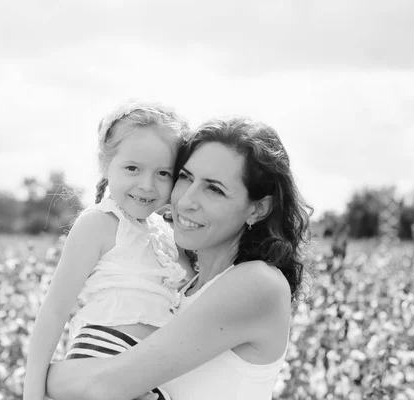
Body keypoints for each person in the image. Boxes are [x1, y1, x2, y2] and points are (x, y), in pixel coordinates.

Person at [45, 116, 312, 400]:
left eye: (214, 189)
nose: (185, 201)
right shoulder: (177, 289)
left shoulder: (257, 283)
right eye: (185, 177)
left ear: (258, 209)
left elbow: (103, 384)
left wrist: (39, 375)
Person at [23, 100, 193, 400]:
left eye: (163, 174)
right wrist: (32, 394)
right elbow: (53, 312)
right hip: (102, 355)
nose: (146, 185)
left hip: (151, 373)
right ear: (105, 165)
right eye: (132, 168)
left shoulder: (167, 232)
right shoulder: (99, 223)